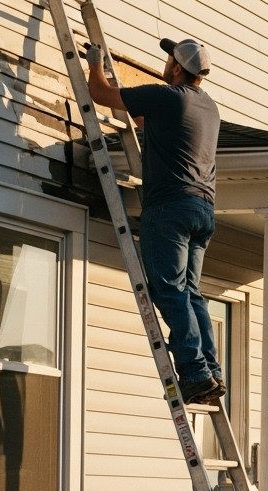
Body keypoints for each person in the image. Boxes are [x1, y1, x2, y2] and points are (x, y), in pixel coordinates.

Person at [84, 38, 224, 404]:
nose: (164, 63)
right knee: (191, 293)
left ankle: (194, 373)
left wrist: (96, 61)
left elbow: (99, 92)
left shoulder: (167, 96)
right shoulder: (209, 108)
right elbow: (148, 121)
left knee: (170, 291)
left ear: (178, 68)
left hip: (171, 208)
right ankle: (211, 371)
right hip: (203, 209)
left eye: (168, 59)